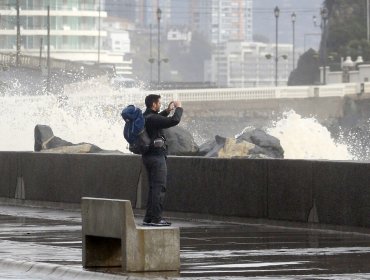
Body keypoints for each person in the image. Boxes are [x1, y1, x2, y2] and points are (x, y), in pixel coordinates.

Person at [142, 94, 183, 226]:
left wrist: (166, 110)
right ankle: (157, 219)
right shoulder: (153, 118)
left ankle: (148, 218)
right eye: (159, 103)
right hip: (157, 157)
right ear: (153, 104)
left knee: (153, 188)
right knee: (159, 188)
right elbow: (174, 121)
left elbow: (158, 120)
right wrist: (179, 108)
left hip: (147, 156)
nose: (160, 104)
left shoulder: (145, 117)